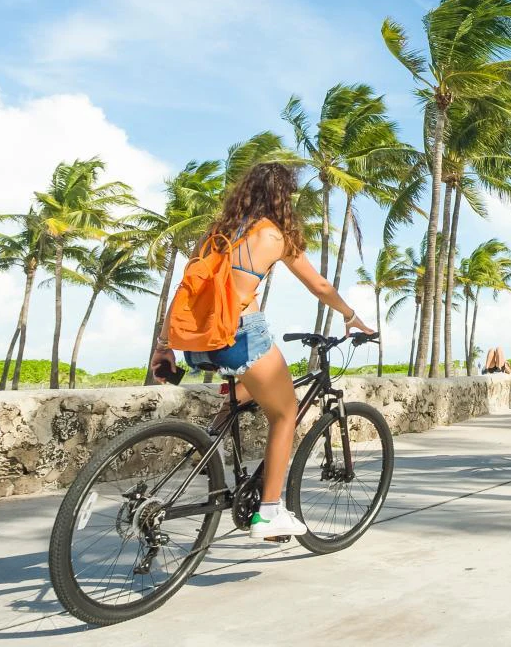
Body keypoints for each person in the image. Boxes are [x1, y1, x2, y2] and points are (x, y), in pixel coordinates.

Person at [151, 161, 373, 541]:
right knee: (285, 413)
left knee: (255, 386)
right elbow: (319, 286)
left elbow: (186, 288)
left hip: (199, 340)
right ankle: (269, 513)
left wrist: (165, 345)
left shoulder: (216, 234)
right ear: (282, 197)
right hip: (240, 334)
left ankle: (213, 436)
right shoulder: (275, 235)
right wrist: (351, 316)